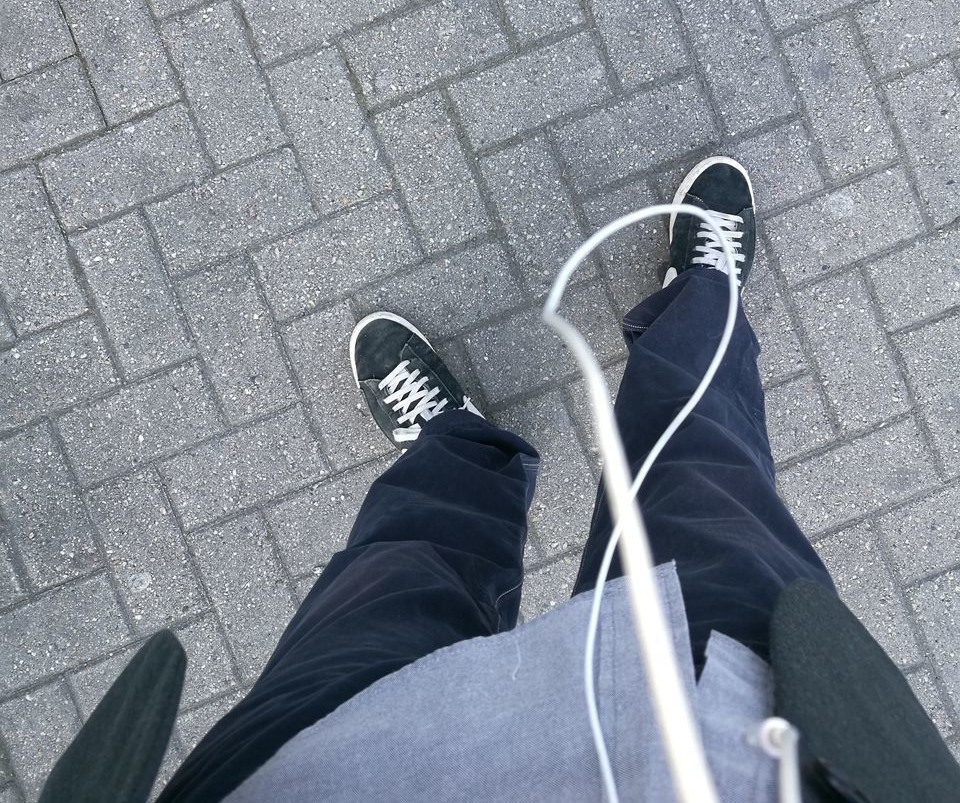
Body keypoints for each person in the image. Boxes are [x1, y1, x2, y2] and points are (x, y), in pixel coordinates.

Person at [111, 158, 960, 801]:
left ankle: (453, 446)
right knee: (703, 483)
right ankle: (705, 302)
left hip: (316, 771)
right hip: (742, 749)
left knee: (405, 576)